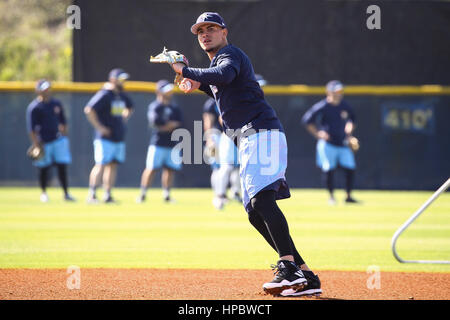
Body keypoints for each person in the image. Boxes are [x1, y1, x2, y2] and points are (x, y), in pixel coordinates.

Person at [172, 12, 321, 297]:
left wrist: (186, 70)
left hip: (260, 132)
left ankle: (288, 269)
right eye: (200, 30)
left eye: (211, 28)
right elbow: (222, 87)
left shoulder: (230, 55)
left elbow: (224, 75)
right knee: (255, 212)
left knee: (262, 200)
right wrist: (198, 84)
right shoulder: (219, 62)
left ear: (224, 32)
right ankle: (304, 274)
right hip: (250, 138)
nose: (205, 33)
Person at [302, 80, 359, 205]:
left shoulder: (344, 105)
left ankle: (348, 196)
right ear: (329, 92)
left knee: (350, 168)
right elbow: (307, 120)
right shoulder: (322, 106)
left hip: (343, 142)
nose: (339, 93)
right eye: (336, 91)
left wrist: (349, 129)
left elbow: (352, 119)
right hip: (328, 144)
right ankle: (331, 197)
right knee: (329, 170)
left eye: (340, 90)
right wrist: (318, 134)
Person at [84, 68, 133, 203]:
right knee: (101, 164)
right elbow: (89, 110)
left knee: (112, 165)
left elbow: (130, 107)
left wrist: (123, 119)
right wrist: (100, 127)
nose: (123, 82)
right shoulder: (105, 94)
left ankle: (107, 195)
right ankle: (92, 194)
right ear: (112, 79)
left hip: (118, 136)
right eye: (120, 79)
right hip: (104, 138)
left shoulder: (122, 95)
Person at [26, 79, 75, 202]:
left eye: (48, 88)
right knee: (43, 168)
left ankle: (66, 193)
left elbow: (63, 122)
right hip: (43, 142)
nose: (46, 91)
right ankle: (44, 193)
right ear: (38, 91)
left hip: (58, 140)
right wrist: (36, 144)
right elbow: (31, 129)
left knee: (62, 166)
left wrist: (64, 136)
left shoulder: (56, 103)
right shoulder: (34, 107)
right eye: (43, 89)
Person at [137, 80, 183, 203]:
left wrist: (166, 125)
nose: (169, 92)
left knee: (170, 169)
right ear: (159, 92)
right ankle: (142, 194)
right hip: (157, 143)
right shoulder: (155, 106)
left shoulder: (174, 107)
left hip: (172, 143)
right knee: (151, 168)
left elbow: (178, 123)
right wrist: (167, 125)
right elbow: (155, 123)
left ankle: (167, 194)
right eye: (166, 90)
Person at [203, 96, 241, 210]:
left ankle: (233, 193)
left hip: (233, 135)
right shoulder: (211, 103)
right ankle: (219, 195)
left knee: (236, 167)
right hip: (217, 136)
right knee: (218, 167)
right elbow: (212, 120)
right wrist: (209, 138)